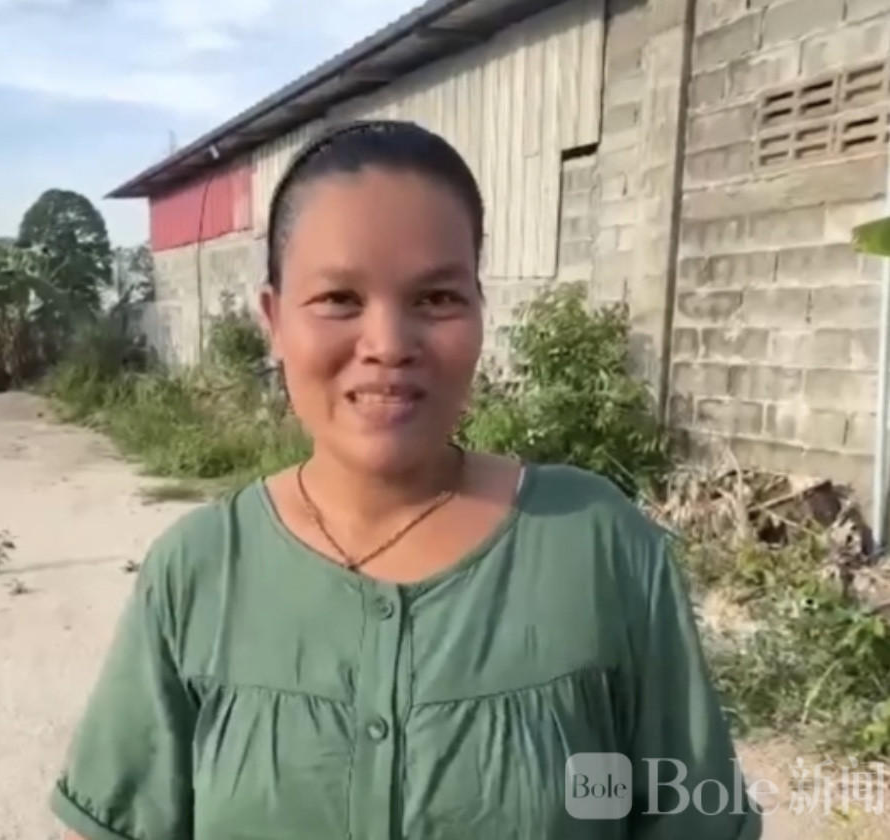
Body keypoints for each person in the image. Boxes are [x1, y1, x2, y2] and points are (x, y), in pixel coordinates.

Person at [48, 120, 763, 840]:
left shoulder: (599, 549)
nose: (388, 345)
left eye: (436, 299)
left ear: (479, 311)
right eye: (339, 299)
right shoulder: (198, 573)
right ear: (273, 319)